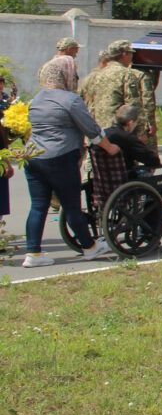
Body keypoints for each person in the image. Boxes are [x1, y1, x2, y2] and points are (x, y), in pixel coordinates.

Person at [19, 60, 120, 268]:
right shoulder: (70, 100)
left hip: (33, 157)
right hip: (60, 157)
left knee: (38, 206)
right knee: (71, 205)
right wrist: (110, 148)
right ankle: (89, 247)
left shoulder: (36, 99)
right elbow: (91, 129)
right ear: (65, 76)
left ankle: (33, 254)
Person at [103, 103, 161, 170]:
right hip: (127, 177)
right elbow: (153, 160)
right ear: (130, 123)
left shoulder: (102, 136)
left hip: (102, 178)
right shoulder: (128, 138)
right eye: (136, 122)